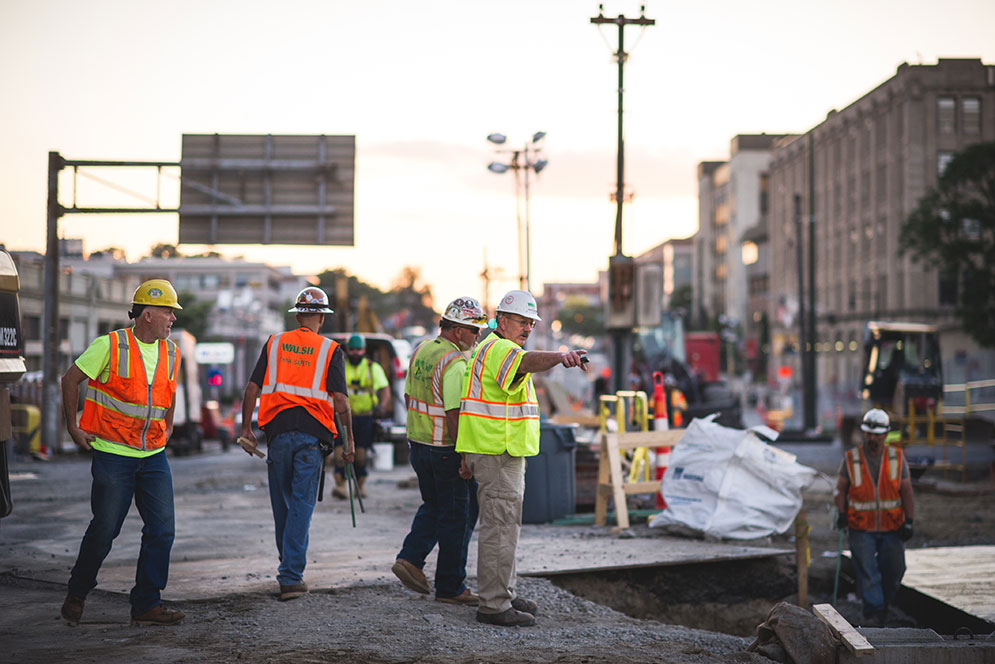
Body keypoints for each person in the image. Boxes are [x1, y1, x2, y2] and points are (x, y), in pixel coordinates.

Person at [456, 290, 588, 627]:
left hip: (495, 450)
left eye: (531, 322)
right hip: (497, 451)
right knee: (500, 528)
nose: (527, 327)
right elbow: (525, 362)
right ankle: (494, 605)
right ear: (501, 320)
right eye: (520, 321)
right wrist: (560, 357)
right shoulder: (501, 349)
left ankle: (502, 592)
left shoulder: (491, 348)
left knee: (504, 526)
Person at [59, 279, 186, 626]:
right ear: (147, 314)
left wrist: (169, 425)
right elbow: (70, 380)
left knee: (162, 531)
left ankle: (147, 604)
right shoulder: (110, 345)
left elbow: (169, 391)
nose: (172, 319)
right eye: (168, 312)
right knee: (105, 529)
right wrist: (74, 426)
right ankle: (78, 591)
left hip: (153, 456)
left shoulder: (172, 351)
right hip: (113, 454)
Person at [239, 286, 355, 601]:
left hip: (277, 435)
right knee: (301, 505)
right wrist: (350, 442)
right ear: (321, 316)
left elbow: (252, 388)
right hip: (312, 436)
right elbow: (341, 400)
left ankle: (288, 568)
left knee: (284, 506)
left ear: (298, 314)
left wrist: (246, 428)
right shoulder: (330, 350)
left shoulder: (275, 343)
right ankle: (290, 575)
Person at [392, 296, 488, 605]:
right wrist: (465, 457)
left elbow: (408, 396)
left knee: (435, 506)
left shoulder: (422, 350)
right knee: (458, 516)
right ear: (458, 331)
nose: (478, 337)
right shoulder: (455, 363)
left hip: (420, 446)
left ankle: (410, 559)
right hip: (445, 447)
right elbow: (453, 413)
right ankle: (450, 586)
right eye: (475, 332)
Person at [835, 408, 915, 625]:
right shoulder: (851, 459)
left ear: (885, 434)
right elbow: (841, 489)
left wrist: (909, 521)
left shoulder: (897, 458)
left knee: (896, 568)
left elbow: (906, 491)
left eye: (876, 434)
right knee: (868, 571)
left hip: (892, 526)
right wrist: (841, 514)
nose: (871, 438)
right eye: (868, 433)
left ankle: (884, 604)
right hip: (861, 528)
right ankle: (874, 613)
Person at [332, 334, 391, 499]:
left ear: (364, 350)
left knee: (360, 455)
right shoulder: (340, 366)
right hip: (341, 417)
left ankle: (359, 486)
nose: (355, 352)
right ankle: (341, 486)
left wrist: (382, 406)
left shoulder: (373, 368)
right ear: (347, 350)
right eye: (352, 349)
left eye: (359, 349)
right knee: (339, 454)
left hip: (364, 417)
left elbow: (384, 388)